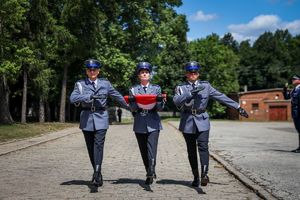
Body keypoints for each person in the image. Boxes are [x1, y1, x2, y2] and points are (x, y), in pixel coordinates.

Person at [173, 61, 249, 187]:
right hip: (187, 121)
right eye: (190, 72)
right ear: (186, 74)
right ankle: (196, 176)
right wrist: (190, 93)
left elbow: (220, 96)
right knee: (191, 151)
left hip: (202, 120)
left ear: (198, 73)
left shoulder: (206, 86)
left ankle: (204, 174)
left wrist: (238, 107)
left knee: (203, 147)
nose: (193, 74)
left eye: (195, 72)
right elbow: (176, 101)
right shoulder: (181, 88)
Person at [70, 59, 129, 187]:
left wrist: (131, 107)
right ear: (86, 71)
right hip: (86, 118)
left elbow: (117, 96)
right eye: (90, 69)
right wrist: (87, 97)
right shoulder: (80, 84)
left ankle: (96, 172)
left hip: (101, 117)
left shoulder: (105, 83)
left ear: (98, 71)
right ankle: (98, 173)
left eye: (95, 69)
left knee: (98, 146)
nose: (92, 71)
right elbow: (72, 98)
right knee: (91, 148)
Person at [128, 61, 165, 185]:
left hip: (153, 121)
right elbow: (132, 108)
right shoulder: (133, 89)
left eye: (146, 72)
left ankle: (152, 169)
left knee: (151, 148)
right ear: (139, 75)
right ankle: (148, 172)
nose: (144, 74)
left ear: (150, 75)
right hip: (139, 121)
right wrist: (132, 101)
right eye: (142, 72)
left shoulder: (156, 88)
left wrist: (160, 101)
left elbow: (160, 108)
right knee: (143, 150)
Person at [283, 74, 300, 153]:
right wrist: (285, 89)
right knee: (299, 130)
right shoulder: (294, 89)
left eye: (294, 79)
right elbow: (286, 97)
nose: (292, 80)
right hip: (295, 112)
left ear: (298, 80)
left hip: (298, 111)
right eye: (292, 79)